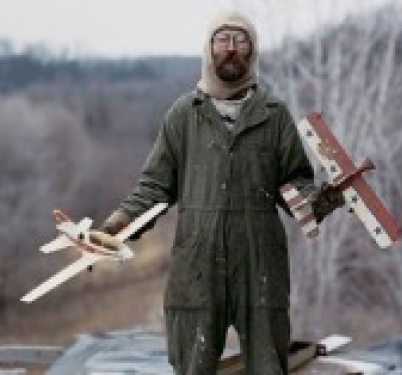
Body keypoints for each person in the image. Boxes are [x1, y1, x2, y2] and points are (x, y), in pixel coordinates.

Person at [99, 11, 344, 375]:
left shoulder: (274, 115)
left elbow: (295, 183)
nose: (231, 49)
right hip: (196, 267)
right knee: (192, 366)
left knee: (268, 366)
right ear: (209, 47)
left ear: (253, 50)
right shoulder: (184, 114)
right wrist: (118, 223)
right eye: (223, 40)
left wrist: (317, 201)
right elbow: (154, 186)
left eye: (240, 40)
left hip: (260, 266)